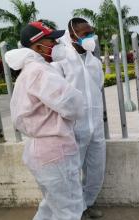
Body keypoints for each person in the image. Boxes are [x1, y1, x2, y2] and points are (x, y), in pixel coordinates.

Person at [5, 21, 85, 220]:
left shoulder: (29, 71)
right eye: (52, 40)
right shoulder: (41, 72)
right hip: (55, 151)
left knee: (51, 207)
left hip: (41, 150)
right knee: (69, 211)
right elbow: (73, 104)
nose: (57, 44)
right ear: (38, 46)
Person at [51, 17, 106, 219]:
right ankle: (76, 211)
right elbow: (57, 94)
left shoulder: (94, 61)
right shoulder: (63, 61)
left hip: (96, 125)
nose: (90, 37)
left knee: (96, 170)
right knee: (73, 173)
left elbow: (98, 88)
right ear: (72, 35)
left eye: (91, 32)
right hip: (74, 127)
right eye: (85, 34)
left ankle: (87, 204)